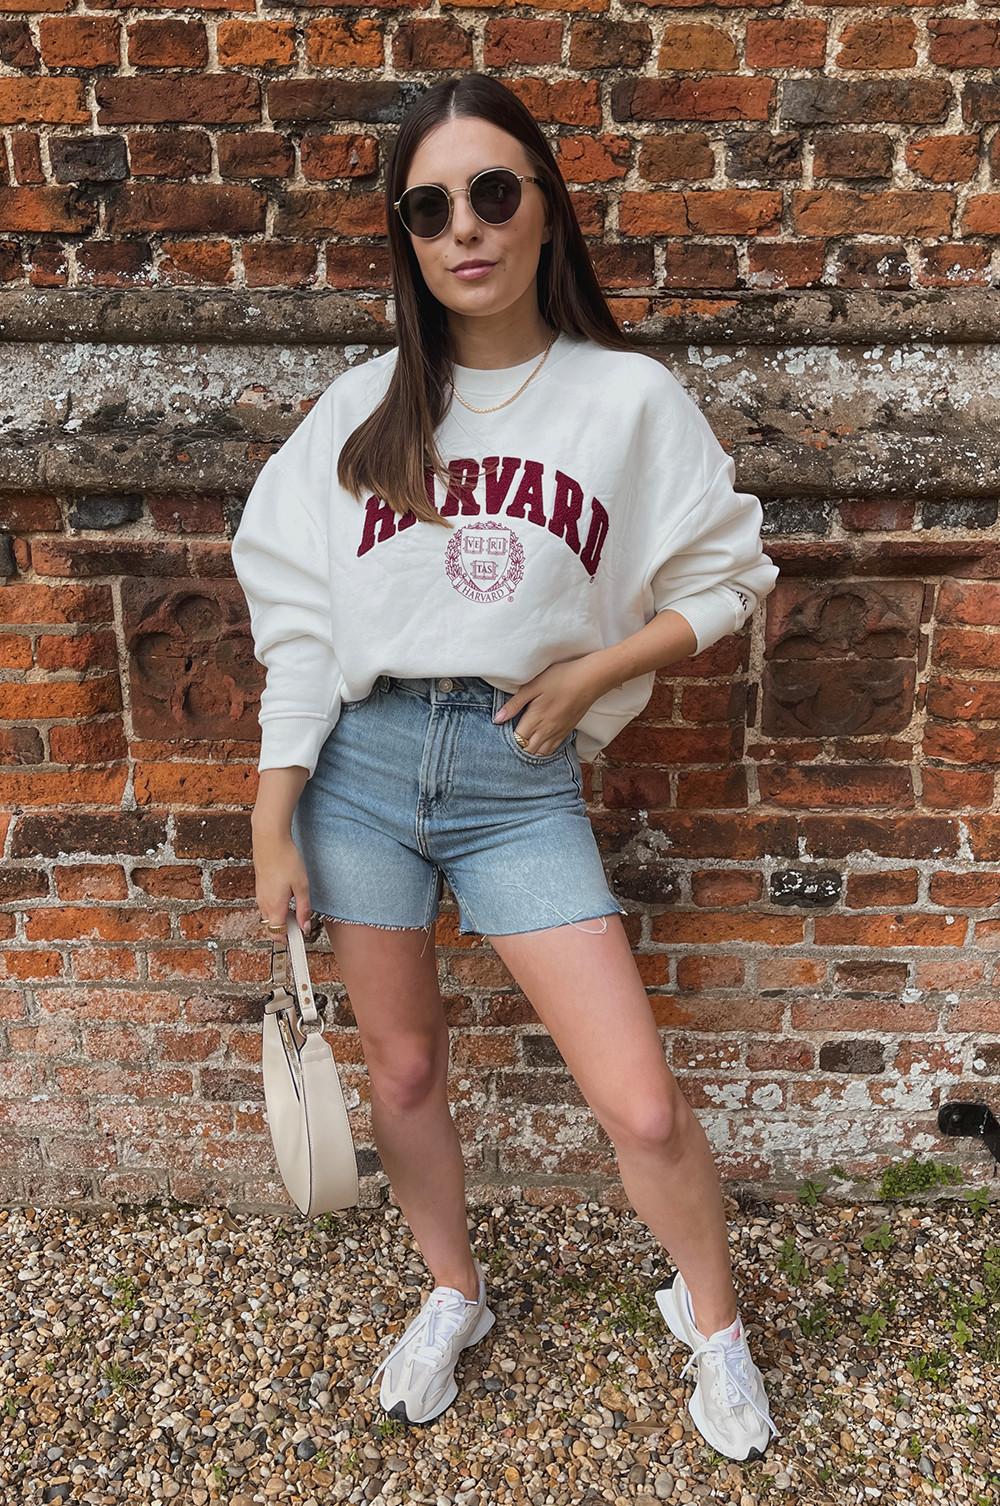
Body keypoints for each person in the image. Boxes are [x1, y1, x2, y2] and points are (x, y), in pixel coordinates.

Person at [230, 71, 781, 1459]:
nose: (463, 227)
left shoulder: (626, 400)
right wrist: (273, 803)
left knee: (637, 1096)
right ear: (407, 240)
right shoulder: (364, 410)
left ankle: (712, 1322)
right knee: (405, 1075)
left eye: (492, 192)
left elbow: (727, 575)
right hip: (358, 771)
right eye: (428, 207)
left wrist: (594, 674)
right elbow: (298, 616)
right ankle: (453, 1291)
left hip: (514, 775)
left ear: (545, 209)